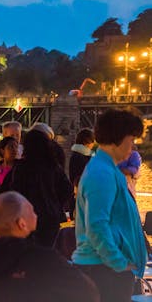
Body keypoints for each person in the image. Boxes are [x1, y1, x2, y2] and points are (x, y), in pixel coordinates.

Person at [72, 108, 147, 302]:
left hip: (107, 268)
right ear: (119, 138)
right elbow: (96, 225)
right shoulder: (102, 174)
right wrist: (119, 262)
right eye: (131, 140)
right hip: (105, 270)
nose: (132, 148)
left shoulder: (107, 169)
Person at [0, 191, 99, 302]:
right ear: (22, 224)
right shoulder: (41, 258)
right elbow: (87, 292)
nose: (36, 215)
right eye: (32, 211)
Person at [9, 129, 73, 247]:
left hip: (28, 217)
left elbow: (16, 194)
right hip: (51, 217)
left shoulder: (21, 167)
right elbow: (67, 189)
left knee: (30, 251)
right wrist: (56, 203)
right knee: (49, 250)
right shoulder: (53, 166)